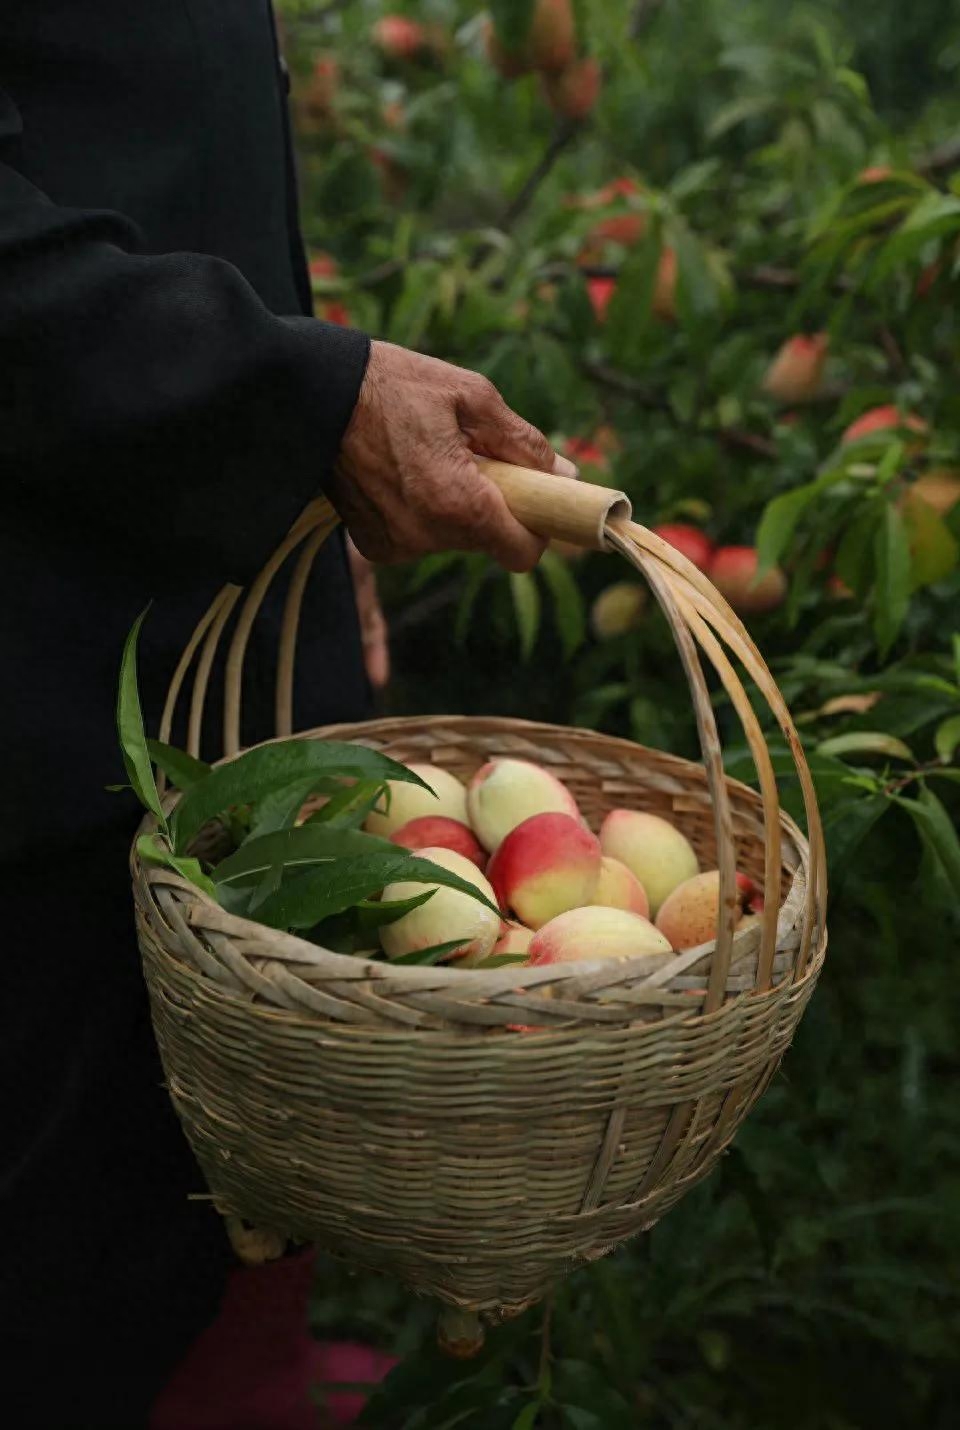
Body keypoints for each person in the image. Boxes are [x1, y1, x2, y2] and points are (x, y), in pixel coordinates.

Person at [0, 4, 575, 1427]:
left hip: (221, 731)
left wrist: (289, 488)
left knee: (217, 1273)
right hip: (50, 763)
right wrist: (303, 406)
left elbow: (148, 156)